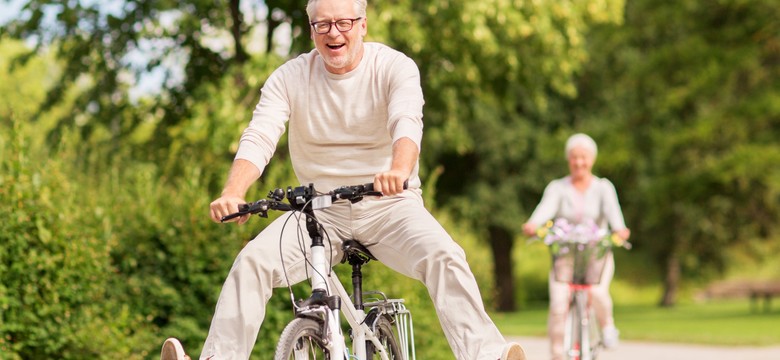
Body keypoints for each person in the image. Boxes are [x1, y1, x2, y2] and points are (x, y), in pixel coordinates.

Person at [159, 0, 526, 359]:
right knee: (252, 261)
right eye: (323, 24)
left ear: (362, 25)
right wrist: (234, 191)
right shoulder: (290, 77)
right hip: (318, 212)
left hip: (389, 206)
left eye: (344, 23)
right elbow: (260, 134)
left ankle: (488, 354)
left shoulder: (394, 67)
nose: (333, 33)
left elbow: (407, 122)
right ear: (312, 30)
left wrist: (398, 170)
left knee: (445, 256)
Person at [522, 133, 630, 360]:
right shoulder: (558, 188)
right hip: (565, 255)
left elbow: (615, 216)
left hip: (595, 254)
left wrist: (620, 230)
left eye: (584, 157)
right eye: (574, 157)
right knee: (558, 304)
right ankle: (557, 355)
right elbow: (545, 209)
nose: (579, 162)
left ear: (592, 159)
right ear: (568, 159)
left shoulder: (603, 188)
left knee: (598, 291)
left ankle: (607, 325)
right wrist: (533, 224)